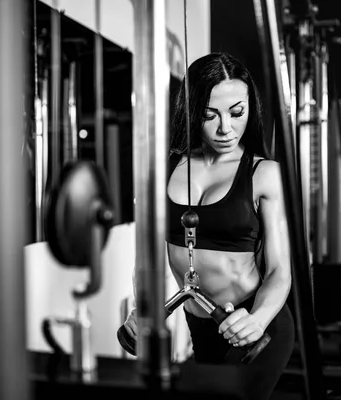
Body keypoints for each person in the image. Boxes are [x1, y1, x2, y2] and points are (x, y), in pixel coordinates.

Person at [123, 52, 295, 400]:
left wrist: (258, 319)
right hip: (199, 325)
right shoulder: (163, 168)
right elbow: (148, 261)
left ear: (251, 109)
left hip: (255, 324)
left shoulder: (263, 174)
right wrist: (143, 309)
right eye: (209, 114)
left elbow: (280, 270)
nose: (224, 128)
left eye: (236, 113)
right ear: (191, 111)